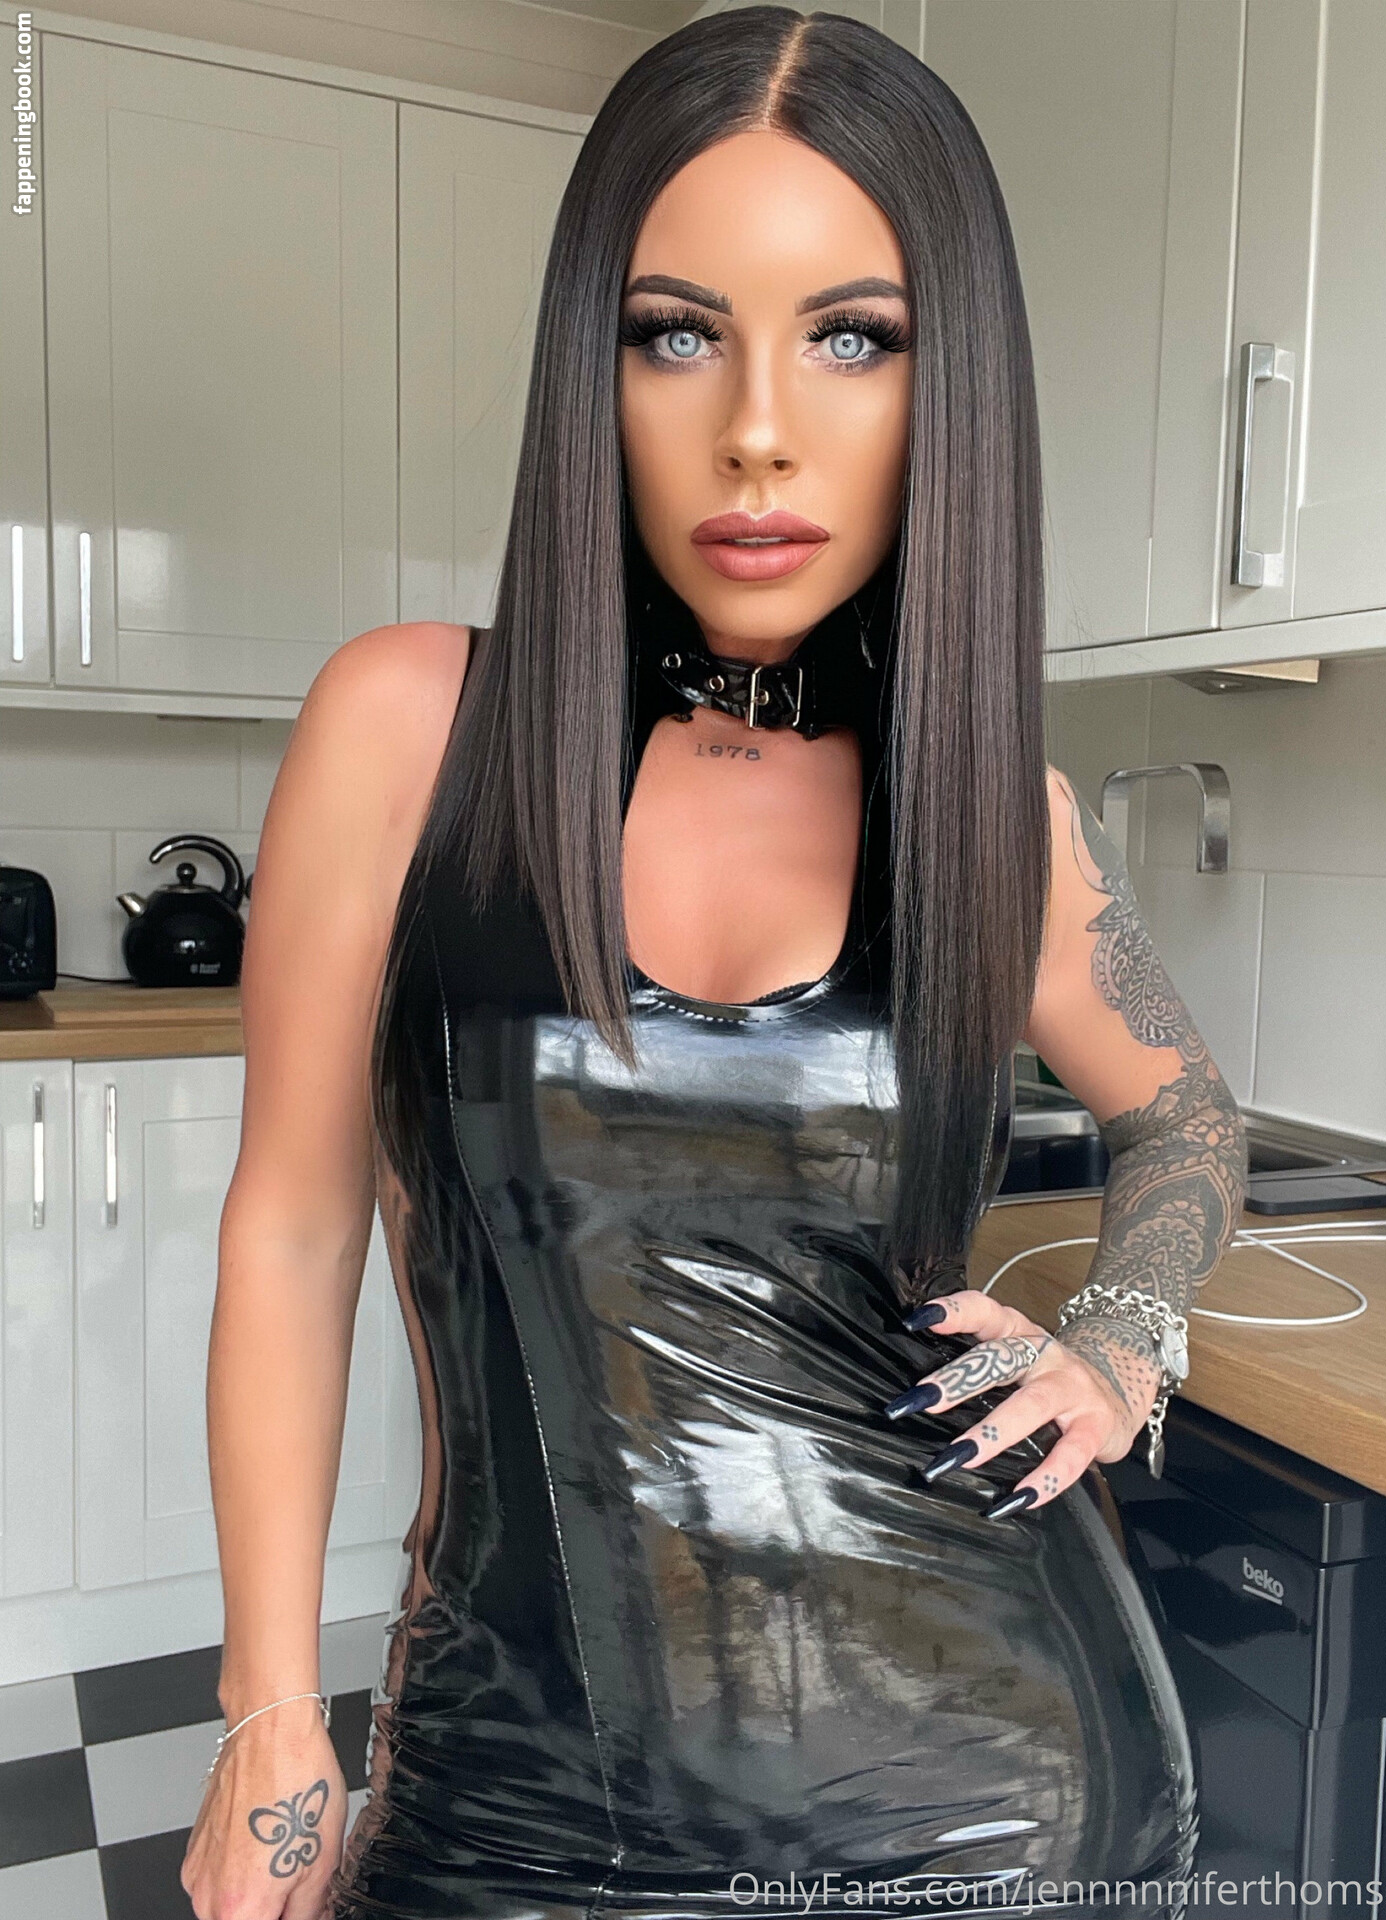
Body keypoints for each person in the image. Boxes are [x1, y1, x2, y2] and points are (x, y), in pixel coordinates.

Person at [181, 10, 1248, 1919]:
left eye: (855, 337)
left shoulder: (993, 819)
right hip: (518, 1783)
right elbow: (291, 1230)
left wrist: (1122, 1342)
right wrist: (269, 1715)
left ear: (950, 386)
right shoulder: (414, 728)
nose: (757, 423)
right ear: (591, 368)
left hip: (1001, 1802)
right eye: (677, 333)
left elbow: (1187, 1116)